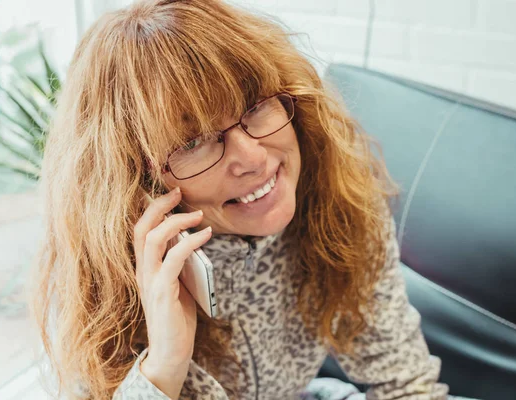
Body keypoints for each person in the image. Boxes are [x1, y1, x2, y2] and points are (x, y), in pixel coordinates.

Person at [30, 0, 454, 399]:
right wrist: (163, 365)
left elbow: (406, 383)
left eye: (255, 107)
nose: (252, 158)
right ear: (137, 181)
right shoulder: (99, 284)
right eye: (193, 140)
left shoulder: (337, 199)